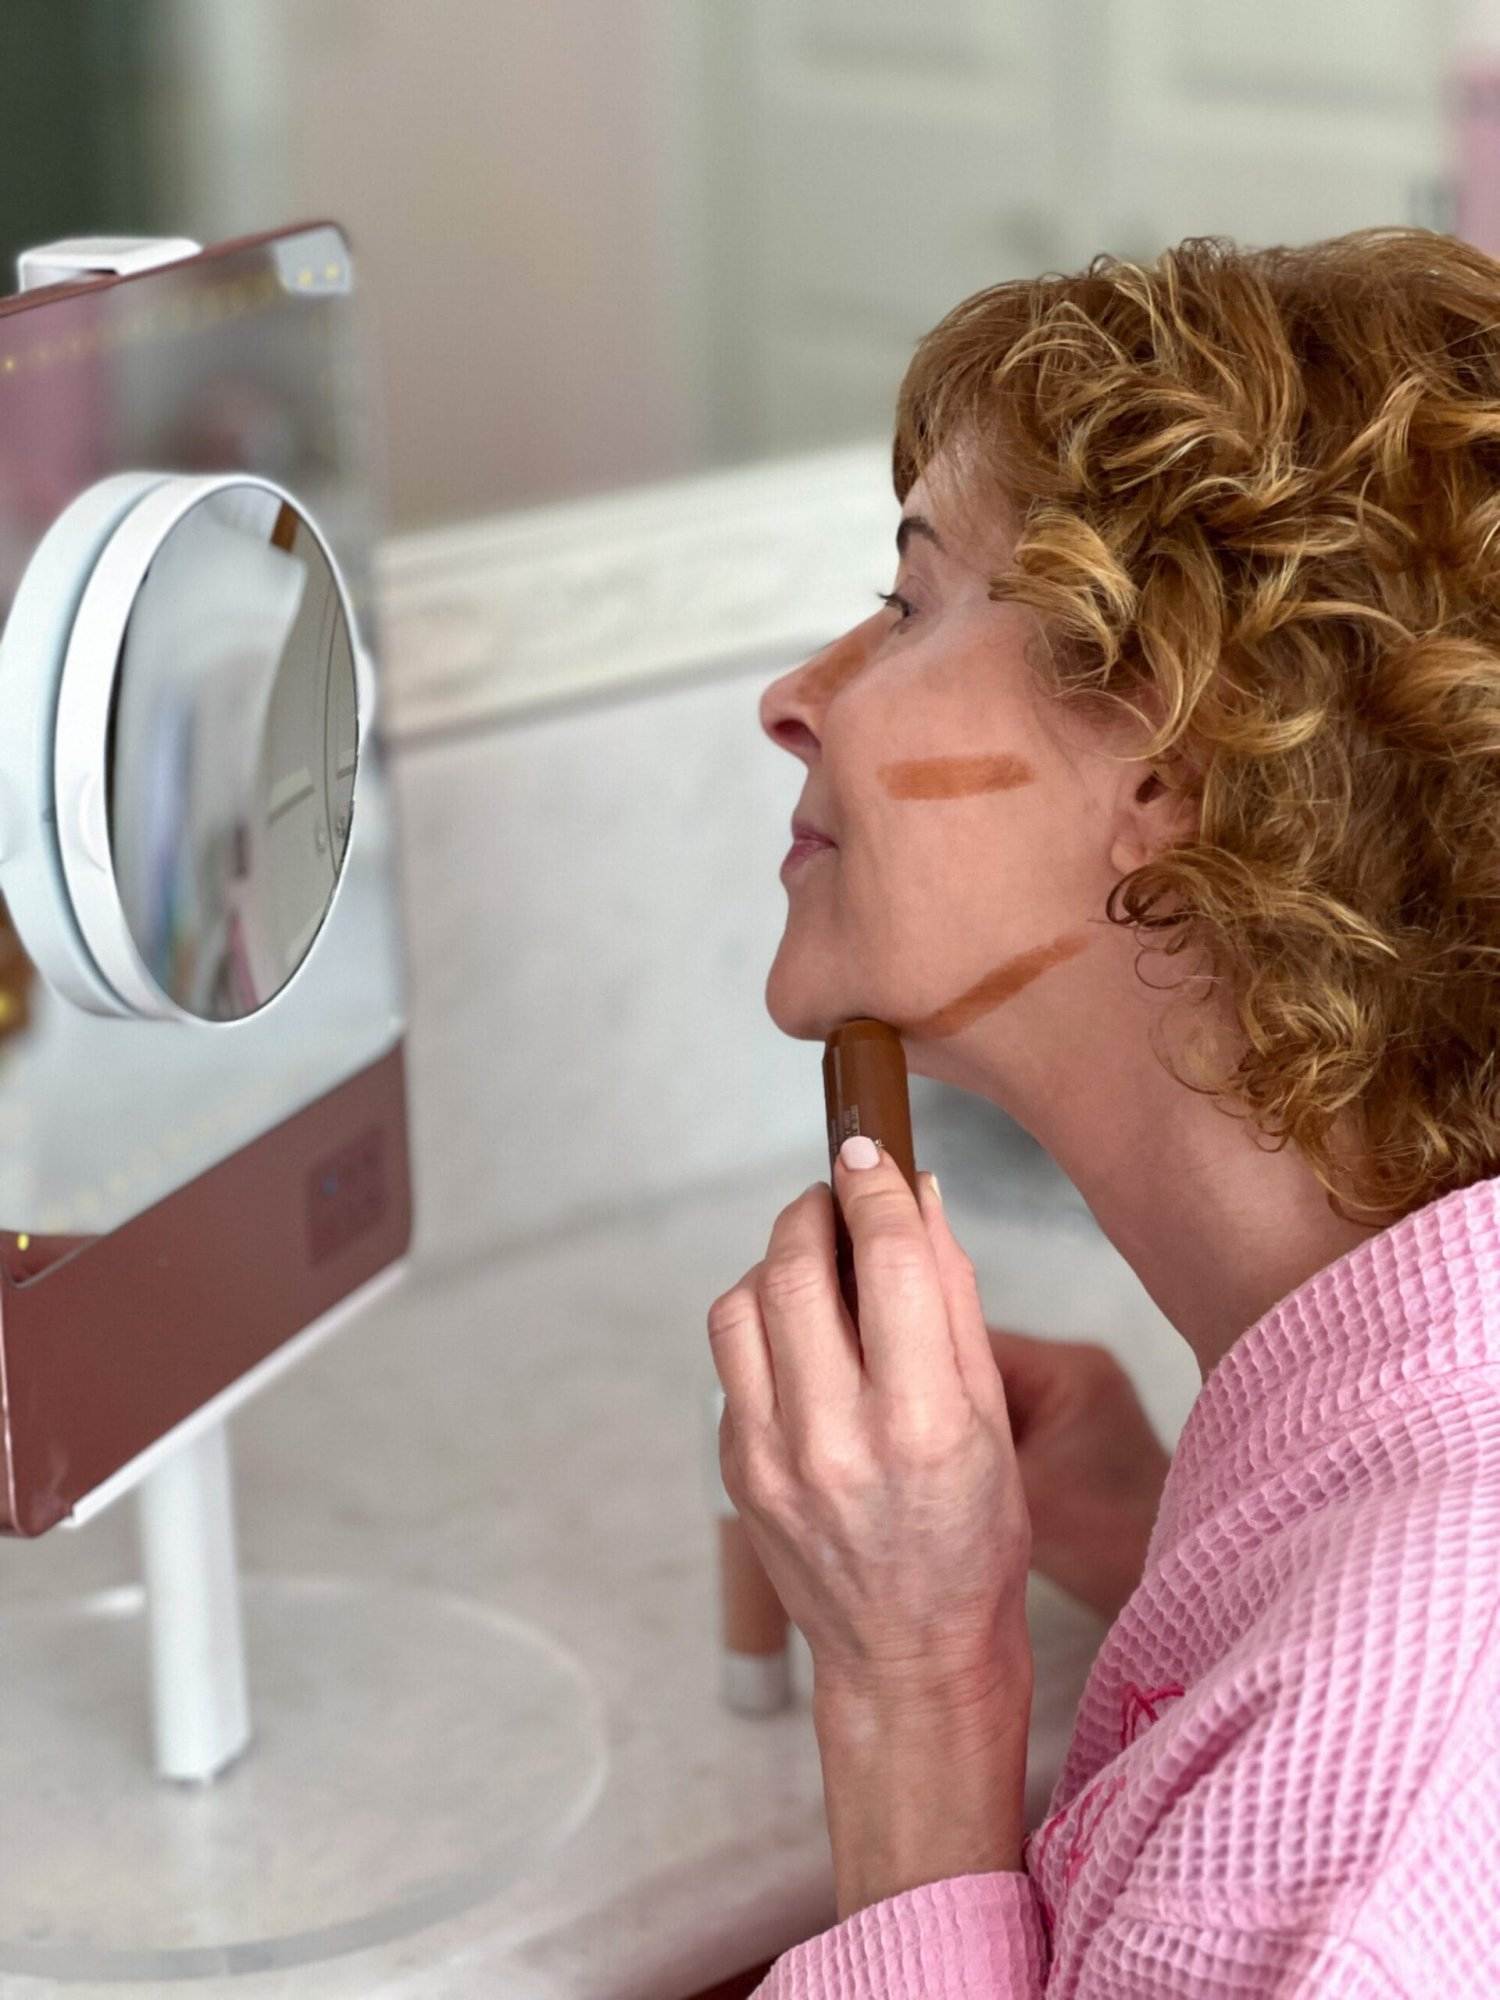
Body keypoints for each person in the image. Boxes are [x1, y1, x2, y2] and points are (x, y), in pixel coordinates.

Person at [710, 227, 1500, 1996]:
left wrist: (916, 1686)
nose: (796, 701)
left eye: (910, 605)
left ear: (1174, 766)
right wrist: (1175, 1541)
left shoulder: (1366, 1816)